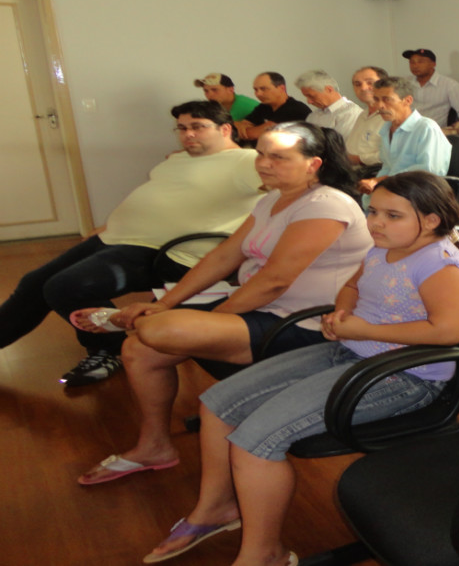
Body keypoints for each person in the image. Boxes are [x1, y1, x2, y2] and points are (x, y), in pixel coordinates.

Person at [138, 172, 459, 566]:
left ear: (430, 221)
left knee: (255, 441)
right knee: (216, 404)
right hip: (353, 350)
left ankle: (265, 555)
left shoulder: (441, 265)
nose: (375, 223)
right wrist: (343, 311)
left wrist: (364, 328)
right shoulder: (383, 247)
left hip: (403, 376)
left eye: (392, 215)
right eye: (373, 211)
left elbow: (448, 331)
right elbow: (354, 286)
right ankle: (216, 509)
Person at [73, 122, 373, 485]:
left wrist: (209, 321)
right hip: (262, 310)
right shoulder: (273, 198)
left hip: (306, 325)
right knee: (140, 349)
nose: (263, 163)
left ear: (313, 164)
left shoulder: (327, 204)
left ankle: (130, 318)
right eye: (261, 153)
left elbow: (275, 280)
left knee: (157, 330)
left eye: (278, 157)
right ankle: (154, 446)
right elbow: (223, 257)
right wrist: (169, 303)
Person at [0, 101, 262, 386]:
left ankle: (109, 351)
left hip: (166, 251)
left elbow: (290, 186)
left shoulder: (246, 161)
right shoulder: (180, 158)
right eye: (183, 128)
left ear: (225, 129)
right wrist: (114, 223)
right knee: (34, 282)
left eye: (198, 127)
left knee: (64, 286)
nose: (188, 135)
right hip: (119, 237)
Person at [359, 76, 451, 209]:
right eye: (376, 99)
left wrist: (380, 181)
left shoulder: (426, 128)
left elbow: (430, 171)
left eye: (387, 99)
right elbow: (387, 167)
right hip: (395, 191)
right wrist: (373, 186)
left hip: (420, 193)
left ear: (407, 100)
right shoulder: (386, 130)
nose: (380, 106)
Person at [403, 48, 459, 125]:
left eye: (421, 62)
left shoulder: (451, 86)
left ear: (433, 64)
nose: (415, 66)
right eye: (412, 62)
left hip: (434, 132)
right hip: (407, 128)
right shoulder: (405, 83)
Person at [241, 72, 311, 142]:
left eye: (263, 89)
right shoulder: (264, 106)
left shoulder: (295, 109)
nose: (258, 94)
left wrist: (245, 129)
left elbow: (254, 134)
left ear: (282, 88)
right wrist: (238, 125)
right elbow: (242, 125)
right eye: (256, 90)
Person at [344, 65, 388, 174]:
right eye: (357, 84)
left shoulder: (391, 116)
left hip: (377, 175)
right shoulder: (363, 114)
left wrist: (359, 159)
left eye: (370, 83)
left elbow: (394, 154)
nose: (363, 88)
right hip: (353, 174)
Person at [297, 69, 363, 139]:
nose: (309, 102)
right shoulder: (313, 116)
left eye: (311, 96)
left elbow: (339, 146)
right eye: (306, 96)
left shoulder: (351, 113)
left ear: (329, 89)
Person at [194, 73, 258, 122]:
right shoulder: (213, 107)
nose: (209, 94)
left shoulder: (248, 106)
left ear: (230, 90)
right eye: (206, 91)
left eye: (215, 90)